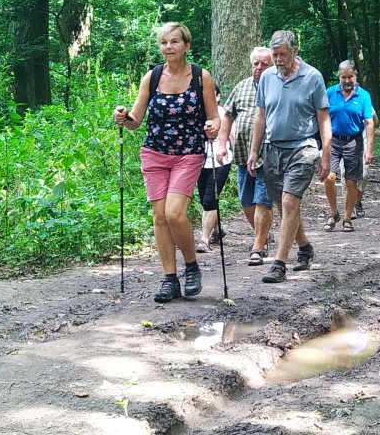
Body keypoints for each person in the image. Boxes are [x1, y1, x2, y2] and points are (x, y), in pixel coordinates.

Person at [113, 22, 220, 303]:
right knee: (159, 216)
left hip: (188, 152)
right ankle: (170, 279)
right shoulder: (153, 76)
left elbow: (215, 118)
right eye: (164, 43)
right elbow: (136, 121)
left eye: (174, 42)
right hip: (155, 152)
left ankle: (192, 266)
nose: (168, 47)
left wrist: (213, 126)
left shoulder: (201, 76)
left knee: (174, 213)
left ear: (186, 45)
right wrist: (124, 117)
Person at [247, 30, 331, 284]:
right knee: (285, 208)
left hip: (303, 148)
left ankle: (279, 263)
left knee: (290, 201)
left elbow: (323, 118)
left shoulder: (313, 77)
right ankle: (304, 247)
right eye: (275, 55)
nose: (278, 59)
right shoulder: (267, 78)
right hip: (273, 149)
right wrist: (253, 150)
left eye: (283, 54)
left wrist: (325, 155)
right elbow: (260, 116)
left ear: (295, 50)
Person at [216, 47, 276, 266]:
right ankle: (264, 234)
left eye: (264, 64)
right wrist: (222, 144)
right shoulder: (241, 87)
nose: (259, 68)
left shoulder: (278, 87)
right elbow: (228, 116)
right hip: (242, 155)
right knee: (246, 202)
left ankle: (258, 246)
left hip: (269, 155)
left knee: (263, 201)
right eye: (256, 64)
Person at [322, 60, 375, 232]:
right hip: (332, 141)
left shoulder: (363, 95)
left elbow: (369, 122)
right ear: (339, 76)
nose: (346, 81)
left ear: (355, 76)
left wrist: (369, 150)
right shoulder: (330, 92)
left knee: (351, 182)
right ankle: (333, 212)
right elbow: (321, 117)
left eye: (350, 77)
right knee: (329, 177)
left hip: (354, 141)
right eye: (343, 77)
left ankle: (347, 217)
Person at [196, 84, 233, 253]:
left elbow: (232, 137)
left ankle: (204, 239)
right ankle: (218, 231)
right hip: (199, 161)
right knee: (204, 197)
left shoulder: (223, 113)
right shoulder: (196, 113)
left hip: (220, 161)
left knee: (209, 199)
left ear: (217, 97)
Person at [353, 109, 380, 217]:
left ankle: (358, 202)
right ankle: (349, 207)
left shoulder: (364, 98)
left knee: (363, 175)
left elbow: (375, 121)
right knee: (345, 176)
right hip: (343, 143)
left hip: (363, 144)